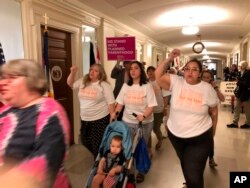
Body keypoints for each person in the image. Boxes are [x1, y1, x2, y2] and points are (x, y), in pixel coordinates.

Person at [0, 59, 70, 188]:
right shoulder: (5, 110)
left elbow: (42, 167)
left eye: (12, 77)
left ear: (31, 80)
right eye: (3, 77)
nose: (3, 82)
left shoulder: (50, 112)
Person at [155, 49, 219, 188]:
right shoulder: (176, 82)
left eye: (194, 70)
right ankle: (189, 183)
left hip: (199, 137)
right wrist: (169, 58)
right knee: (186, 163)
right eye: (187, 69)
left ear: (200, 73)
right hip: (176, 135)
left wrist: (213, 132)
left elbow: (214, 111)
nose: (190, 72)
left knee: (194, 175)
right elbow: (158, 75)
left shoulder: (207, 89)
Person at [111, 61, 157, 183]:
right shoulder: (126, 86)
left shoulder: (147, 86)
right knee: (128, 147)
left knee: (140, 148)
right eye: (131, 68)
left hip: (144, 123)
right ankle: (129, 171)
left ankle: (141, 171)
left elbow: (151, 105)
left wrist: (144, 115)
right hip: (127, 122)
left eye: (136, 68)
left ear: (141, 71)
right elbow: (120, 103)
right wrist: (115, 114)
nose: (133, 71)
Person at [67, 64, 115, 158]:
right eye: (91, 70)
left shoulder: (104, 85)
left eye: (96, 71)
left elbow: (111, 103)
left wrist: (112, 119)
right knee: (85, 141)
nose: (92, 72)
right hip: (85, 118)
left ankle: (99, 165)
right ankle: (100, 159)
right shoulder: (83, 81)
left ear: (101, 74)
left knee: (97, 145)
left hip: (100, 119)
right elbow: (70, 84)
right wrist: (73, 73)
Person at [201, 70, 225, 168]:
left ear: (211, 78)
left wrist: (216, 88)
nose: (206, 79)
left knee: (210, 137)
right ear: (201, 77)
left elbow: (222, 99)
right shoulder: (198, 87)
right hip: (201, 115)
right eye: (204, 77)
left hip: (212, 115)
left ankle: (211, 158)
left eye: (208, 77)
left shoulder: (213, 88)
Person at [146, 66, 168, 150]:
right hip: (148, 110)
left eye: (152, 71)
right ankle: (149, 149)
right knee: (148, 130)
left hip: (158, 109)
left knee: (155, 128)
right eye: (149, 71)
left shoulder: (160, 82)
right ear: (147, 73)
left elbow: (166, 96)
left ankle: (160, 139)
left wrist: (164, 108)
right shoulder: (145, 82)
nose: (150, 73)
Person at [227, 61, 250, 129]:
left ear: (243, 66)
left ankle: (248, 123)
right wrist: (239, 81)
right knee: (236, 108)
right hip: (240, 93)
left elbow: (247, 84)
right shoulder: (241, 72)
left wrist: (239, 82)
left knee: (247, 109)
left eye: (240, 65)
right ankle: (235, 123)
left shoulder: (248, 73)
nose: (239, 67)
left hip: (246, 94)